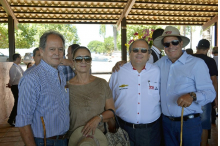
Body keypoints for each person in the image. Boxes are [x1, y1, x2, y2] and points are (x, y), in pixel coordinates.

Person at [153, 26, 216, 146]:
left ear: (181, 43)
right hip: (166, 123)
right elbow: (142, 68)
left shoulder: (197, 64)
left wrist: (192, 96)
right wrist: (123, 65)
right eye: (167, 44)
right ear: (164, 47)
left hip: (189, 124)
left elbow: (210, 93)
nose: (171, 46)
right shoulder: (160, 64)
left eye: (174, 42)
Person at [15, 30, 69, 146]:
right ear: (41, 51)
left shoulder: (61, 74)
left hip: (63, 140)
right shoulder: (32, 78)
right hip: (44, 142)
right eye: (52, 49)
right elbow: (23, 122)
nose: (57, 53)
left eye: (60, 49)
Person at [109, 39, 161, 146]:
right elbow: (109, 98)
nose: (139, 53)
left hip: (150, 132)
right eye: (135, 50)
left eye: (144, 50)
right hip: (123, 129)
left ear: (149, 54)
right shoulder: (118, 72)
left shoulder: (158, 72)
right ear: (130, 53)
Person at [67, 46, 115, 139]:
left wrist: (98, 118)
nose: (83, 61)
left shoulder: (102, 83)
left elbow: (112, 111)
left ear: (91, 62)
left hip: (99, 138)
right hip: (75, 140)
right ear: (73, 62)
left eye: (87, 58)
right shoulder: (66, 87)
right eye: (79, 59)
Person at [193, 39, 218, 146]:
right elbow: (213, 80)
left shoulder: (190, 58)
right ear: (208, 49)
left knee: (189, 123)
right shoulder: (210, 61)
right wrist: (215, 98)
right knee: (204, 125)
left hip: (189, 95)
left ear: (197, 47)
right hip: (204, 96)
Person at [6, 53, 24, 127]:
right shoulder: (13, 68)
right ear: (17, 58)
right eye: (20, 58)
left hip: (18, 86)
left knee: (18, 103)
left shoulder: (18, 66)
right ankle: (11, 119)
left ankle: (14, 119)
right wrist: (10, 84)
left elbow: (24, 73)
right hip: (15, 87)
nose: (21, 59)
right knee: (17, 103)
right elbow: (12, 79)